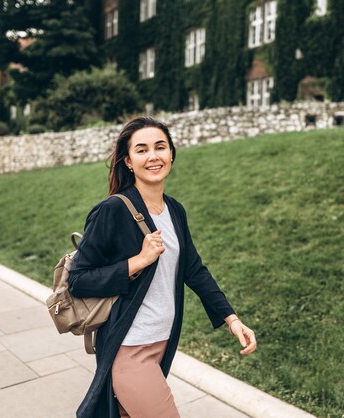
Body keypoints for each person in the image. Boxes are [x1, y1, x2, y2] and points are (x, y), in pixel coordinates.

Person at [68, 116, 257, 418]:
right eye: (141, 150)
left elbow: (193, 269)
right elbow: (78, 280)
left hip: (163, 343)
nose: (153, 156)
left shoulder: (175, 210)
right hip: (129, 346)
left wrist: (231, 319)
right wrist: (138, 261)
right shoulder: (113, 210)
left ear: (171, 154)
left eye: (160, 147)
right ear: (128, 161)